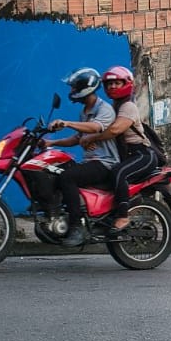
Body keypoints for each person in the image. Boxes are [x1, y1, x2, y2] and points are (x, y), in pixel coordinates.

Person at [79, 65, 159, 236]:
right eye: (109, 84)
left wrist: (93, 138)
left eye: (117, 83)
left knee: (119, 173)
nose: (113, 86)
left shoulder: (128, 106)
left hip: (142, 155)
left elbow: (115, 130)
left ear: (127, 83)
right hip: (126, 155)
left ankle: (123, 216)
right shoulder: (114, 107)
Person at [46, 67, 120, 247]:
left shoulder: (104, 109)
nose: (71, 91)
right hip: (91, 161)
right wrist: (50, 143)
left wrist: (67, 123)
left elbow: (96, 127)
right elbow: (77, 138)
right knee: (56, 170)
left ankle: (76, 227)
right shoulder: (85, 112)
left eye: (74, 87)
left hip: (105, 163)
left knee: (67, 177)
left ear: (85, 88)